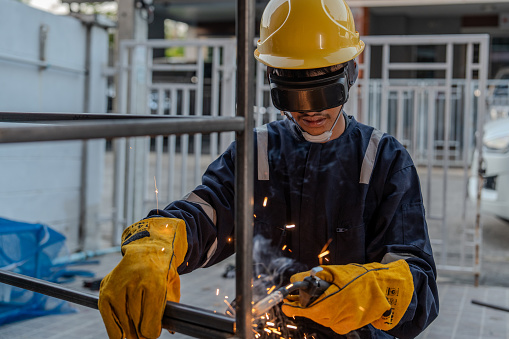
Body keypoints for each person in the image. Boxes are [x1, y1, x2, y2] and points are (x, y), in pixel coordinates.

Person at [98, 0, 439, 338]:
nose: (309, 112)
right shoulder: (259, 150)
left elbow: (419, 286)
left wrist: (372, 290)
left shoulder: (384, 160)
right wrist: (158, 244)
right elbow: (208, 213)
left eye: (322, 92)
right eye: (292, 95)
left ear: (350, 73)